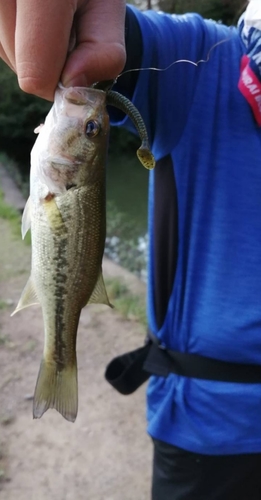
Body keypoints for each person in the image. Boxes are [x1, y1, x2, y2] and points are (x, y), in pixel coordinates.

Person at [2, 1, 261, 498]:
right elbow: (101, 41)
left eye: (92, 127)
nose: (89, 119)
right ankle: (60, 362)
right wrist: (73, 19)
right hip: (209, 429)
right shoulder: (201, 58)